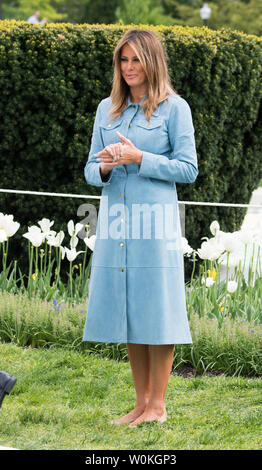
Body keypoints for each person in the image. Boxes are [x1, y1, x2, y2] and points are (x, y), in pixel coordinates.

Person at [82, 28, 198, 427]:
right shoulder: (106, 109)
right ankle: (141, 403)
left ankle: (159, 407)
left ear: (152, 61)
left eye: (136, 59)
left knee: (157, 309)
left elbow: (188, 168)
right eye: (123, 60)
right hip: (117, 223)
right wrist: (106, 165)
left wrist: (139, 157)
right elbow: (89, 170)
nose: (129, 68)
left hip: (156, 224)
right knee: (131, 309)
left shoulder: (174, 109)